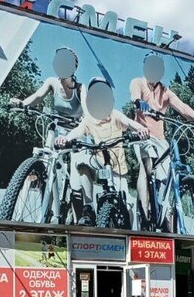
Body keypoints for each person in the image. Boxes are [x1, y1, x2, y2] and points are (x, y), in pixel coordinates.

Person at [129, 53, 194, 231]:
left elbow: (182, 106)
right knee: (147, 166)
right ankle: (145, 211)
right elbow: (135, 96)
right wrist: (139, 103)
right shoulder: (138, 83)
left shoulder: (166, 91)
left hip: (161, 140)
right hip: (143, 136)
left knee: (165, 178)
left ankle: (164, 213)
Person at [56, 78, 149, 225]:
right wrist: (66, 138)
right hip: (99, 161)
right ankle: (89, 207)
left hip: (117, 167)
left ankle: (129, 234)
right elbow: (78, 131)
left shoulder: (115, 114)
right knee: (81, 161)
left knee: (127, 208)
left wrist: (141, 129)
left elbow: (129, 122)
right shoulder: (89, 119)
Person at [11, 47, 83, 123]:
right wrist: (22, 104)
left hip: (76, 130)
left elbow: (86, 109)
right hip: (56, 127)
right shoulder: (51, 82)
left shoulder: (80, 88)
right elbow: (38, 96)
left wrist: (84, 118)